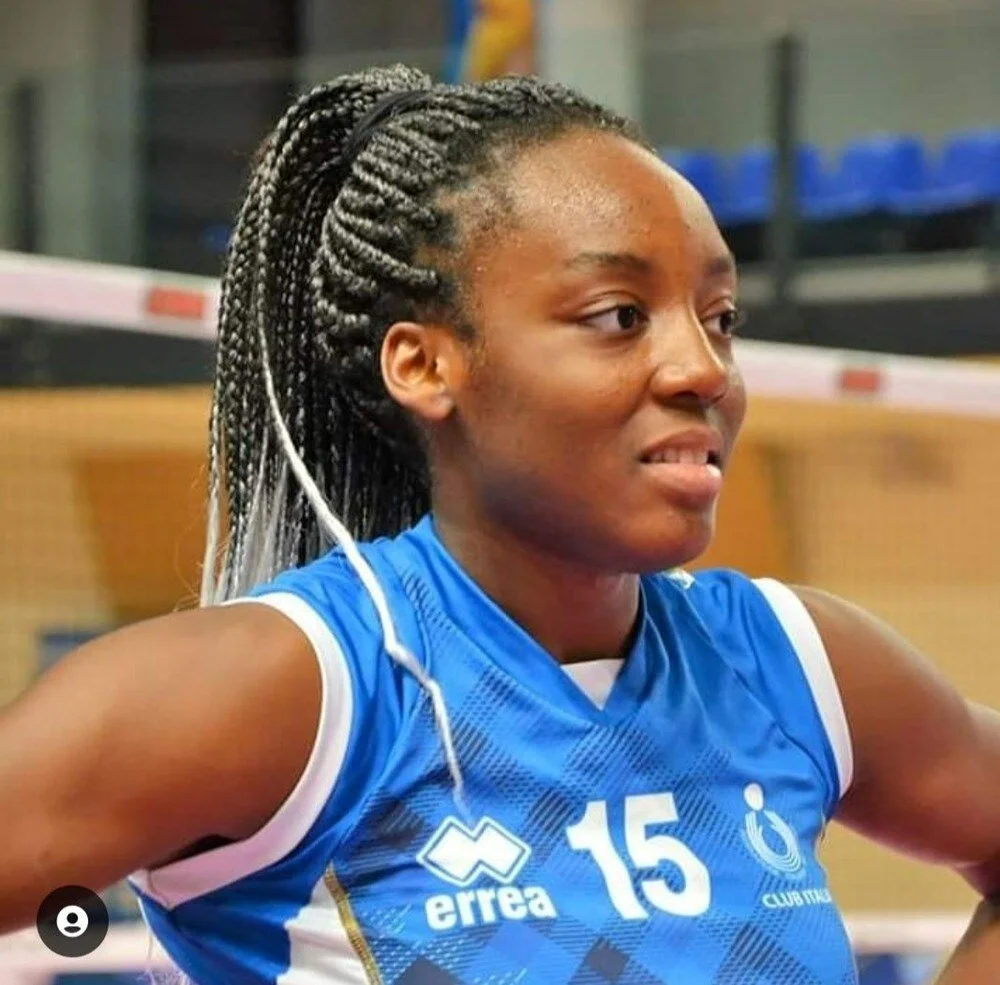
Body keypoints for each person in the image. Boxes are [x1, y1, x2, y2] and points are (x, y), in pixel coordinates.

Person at [0, 64, 997, 985]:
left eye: (719, 318)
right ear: (425, 365)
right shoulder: (291, 690)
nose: (703, 369)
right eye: (618, 315)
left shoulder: (795, 667)